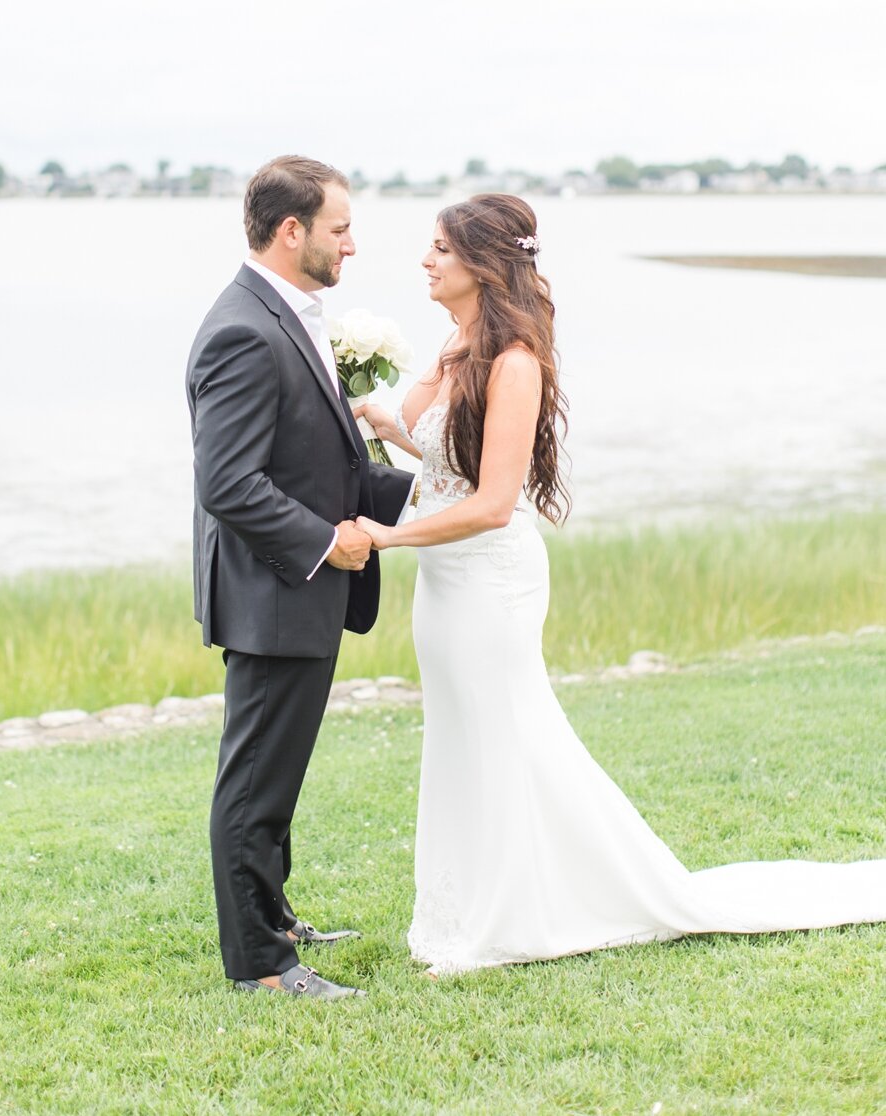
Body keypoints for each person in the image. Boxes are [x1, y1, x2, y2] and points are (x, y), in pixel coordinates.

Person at [356, 192, 886, 976]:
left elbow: (493, 502)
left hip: (488, 583)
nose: (425, 261)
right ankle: (467, 904)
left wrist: (387, 536)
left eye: (440, 249)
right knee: (463, 737)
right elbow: (444, 463)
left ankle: (520, 913)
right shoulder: (458, 346)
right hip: (443, 584)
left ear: (482, 262)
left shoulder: (515, 362)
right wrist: (381, 419)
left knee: (510, 733)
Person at [186, 155, 415, 998]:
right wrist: (328, 542)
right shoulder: (244, 327)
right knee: (254, 782)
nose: (352, 244)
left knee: (277, 778)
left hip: (296, 592)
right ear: (293, 231)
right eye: (339, 228)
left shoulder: (287, 313)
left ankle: (275, 918)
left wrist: (440, 488)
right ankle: (264, 968)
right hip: (272, 593)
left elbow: (322, 459)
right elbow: (229, 482)